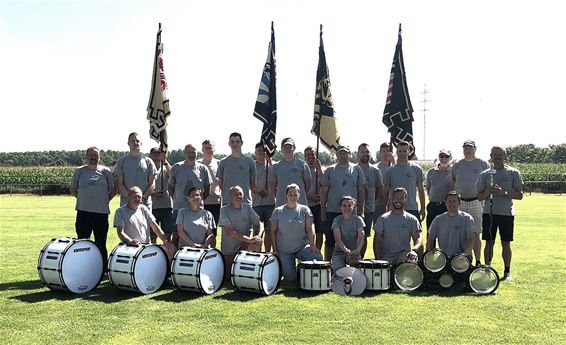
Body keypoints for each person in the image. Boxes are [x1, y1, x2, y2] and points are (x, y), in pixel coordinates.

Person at [477, 146, 523, 281]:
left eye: (500, 154)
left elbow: (520, 194)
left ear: (505, 156)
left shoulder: (513, 173)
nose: (497, 157)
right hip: (489, 213)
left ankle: (507, 271)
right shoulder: (485, 174)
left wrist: (503, 193)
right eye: (495, 154)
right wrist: (488, 192)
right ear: (491, 156)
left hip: (506, 214)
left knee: (506, 243)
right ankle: (487, 268)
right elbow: (479, 197)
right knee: (489, 243)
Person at [70, 146, 116, 269]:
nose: (93, 158)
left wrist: (102, 201)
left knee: (101, 242)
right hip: (83, 212)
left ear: (99, 157)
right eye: (91, 155)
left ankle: (102, 269)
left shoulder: (106, 171)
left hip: (101, 214)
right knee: (82, 242)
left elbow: (113, 190)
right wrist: (84, 200)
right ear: (86, 157)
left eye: (96, 155)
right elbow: (73, 190)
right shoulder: (79, 171)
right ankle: (82, 267)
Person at [320, 145, 366, 260]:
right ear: (336, 154)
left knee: (355, 240)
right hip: (332, 211)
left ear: (350, 154)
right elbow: (324, 191)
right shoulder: (330, 170)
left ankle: (355, 262)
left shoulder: (357, 169)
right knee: (330, 241)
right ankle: (328, 265)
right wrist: (322, 211)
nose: (343, 155)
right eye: (340, 153)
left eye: (345, 153)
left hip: (351, 212)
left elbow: (361, 190)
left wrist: (361, 210)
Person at [270, 184, 322, 285]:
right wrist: (275, 249)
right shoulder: (278, 211)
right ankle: (295, 272)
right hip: (285, 250)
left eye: (295, 194)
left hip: (301, 247)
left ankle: (304, 271)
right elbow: (272, 232)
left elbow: (310, 229)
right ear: (286, 195)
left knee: (317, 257)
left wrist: (312, 245)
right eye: (290, 194)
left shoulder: (304, 209)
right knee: (290, 279)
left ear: (298, 196)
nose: (292, 197)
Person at [450, 140, 490, 266]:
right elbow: (453, 183)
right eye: (465, 148)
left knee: (476, 233)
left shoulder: (483, 164)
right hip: (460, 203)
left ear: (475, 149)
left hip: (476, 202)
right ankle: (462, 261)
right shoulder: (457, 165)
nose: (468, 150)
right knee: (460, 233)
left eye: (470, 148)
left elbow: (488, 182)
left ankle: (478, 262)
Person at [168, 143, 212, 247]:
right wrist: (176, 198)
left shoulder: (203, 169)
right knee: (176, 236)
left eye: (194, 152)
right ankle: (173, 260)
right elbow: (170, 187)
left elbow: (208, 188)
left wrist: (199, 202)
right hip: (179, 208)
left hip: (198, 210)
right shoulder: (176, 167)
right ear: (184, 153)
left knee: (200, 236)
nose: (191, 155)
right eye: (189, 152)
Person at [219, 185, 262, 278]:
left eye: (240, 194)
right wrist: (249, 239)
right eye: (235, 194)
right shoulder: (224, 210)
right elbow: (230, 232)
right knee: (229, 275)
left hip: (244, 245)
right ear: (230, 196)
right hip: (229, 250)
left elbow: (260, 223)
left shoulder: (247, 207)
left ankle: (256, 269)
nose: (238, 196)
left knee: (258, 241)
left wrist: (257, 235)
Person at [373, 187, 422, 265]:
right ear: (392, 199)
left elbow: (418, 238)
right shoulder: (383, 218)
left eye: (401, 198)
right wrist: (378, 260)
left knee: (412, 259)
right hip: (386, 257)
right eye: (396, 198)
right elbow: (377, 240)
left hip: (403, 256)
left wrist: (414, 250)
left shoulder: (412, 219)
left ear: (405, 199)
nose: (398, 200)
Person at [383, 141, 425, 225]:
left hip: (412, 208)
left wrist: (423, 208)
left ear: (409, 152)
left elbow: (421, 190)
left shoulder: (416, 169)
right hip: (395, 209)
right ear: (396, 152)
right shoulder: (390, 171)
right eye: (400, 151)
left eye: (405, 151)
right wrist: (384, 208)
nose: (402, 154)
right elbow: (386, 191)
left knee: (417, 236)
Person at [426, 191, 475, 257]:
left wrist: (466, 254)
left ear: (459, 203)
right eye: (449, 201)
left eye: (454, 201)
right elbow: (430, 240)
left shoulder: (467, 218)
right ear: (445, 203)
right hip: (444, 258)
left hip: (462, 257)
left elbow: (471, 239)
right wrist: (429, 256)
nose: (452, 204)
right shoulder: (438, 219)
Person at [115, 132, 157, 208]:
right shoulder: (121, 162)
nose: (135, 143)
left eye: (137, 141)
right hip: (126, 205)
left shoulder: (148, 162)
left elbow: (152, 184)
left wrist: (143, 197)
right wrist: (130, 198)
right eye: (132, 141)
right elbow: (119, 184)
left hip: (145, 205)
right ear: (128, 143)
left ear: (141, 143)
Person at [356, 143, 384, 258]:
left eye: (367, 152)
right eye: (362, 152)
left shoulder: (375, 171)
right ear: (358, 154)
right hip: (351, 210)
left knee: (364, 235)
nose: (365, 154)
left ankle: (361, 259)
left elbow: (380, 190)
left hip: (368, 210)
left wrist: (370, 200)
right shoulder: (353, 169)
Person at [216, 132, 256, 204]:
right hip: (228, 203)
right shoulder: (223, 162)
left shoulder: (249, 161)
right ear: (229, 144)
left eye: (237, 141)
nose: (235, 144)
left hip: (245, 202)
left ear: (242, 143)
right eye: (232, 142)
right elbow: (221, 184)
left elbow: (252, 184)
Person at [270, 137, 311, 207]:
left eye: (290, 147)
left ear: (294, 148)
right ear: (281, 149)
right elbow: (273, 187)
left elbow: (308, 185)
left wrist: (298, 195)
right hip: (281, 205)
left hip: (299, 205)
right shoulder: (275, 166)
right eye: (285, 147)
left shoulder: (302, 165)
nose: (287, 149)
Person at [252, 142, 276, 251]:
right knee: (257, 230)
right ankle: (256, 252)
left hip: (270, 203)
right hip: (256, 203)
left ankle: (267, 252)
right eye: (259, 151)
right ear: (255, 153)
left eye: (263, 151)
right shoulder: (252, 166)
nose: (262, 153)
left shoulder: (272, 165)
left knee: (269, 230)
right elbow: (250, 184)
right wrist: (260, 191)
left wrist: (270, 162)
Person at [331, 196, 366, 271]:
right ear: (340, 207)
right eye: (344, 205)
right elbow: (338, 240)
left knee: (356, 270)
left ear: (353, 207)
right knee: (338, 272)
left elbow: (362, 238)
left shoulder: (358, 219)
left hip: (355, 253)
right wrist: (347, 251)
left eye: (349, 205)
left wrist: (357, 250)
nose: (347, 208)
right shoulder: (337, 220)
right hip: (339, 253)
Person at [149, 147, 174, 244]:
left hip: (167, 207)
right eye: (154, 154)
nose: (156, 157)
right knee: (152, 237)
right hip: (152, 207)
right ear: (149, 156)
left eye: (158, 154)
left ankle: (168, 256)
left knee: (167, 237)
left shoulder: (165, 168)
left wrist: (165, 161)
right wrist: (153, 193)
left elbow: (174, 174)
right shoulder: (147, 170)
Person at [304, 146, 325, 251]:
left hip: (319, 205)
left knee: (319, 231)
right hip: (307, 205)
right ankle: (307, 251)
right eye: (308, 155)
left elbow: (324, 184)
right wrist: (309, 196)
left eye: (312, 154)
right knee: (307, 231)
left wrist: (320, 169)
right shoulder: (303, 169)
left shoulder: (320, 169)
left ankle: (317, 252)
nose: (310, 157)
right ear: (305, 157)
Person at [199, 139, 222, 235]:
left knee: (213, 231)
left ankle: (212, 250)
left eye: (210, 148)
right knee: (201, 230)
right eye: (206, 148)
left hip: (215, 202)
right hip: (201, 202)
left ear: (214, 149)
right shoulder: (198, 164)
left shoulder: (219, 163)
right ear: (202, 149)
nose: (208, 150)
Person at [425, 149, 453, 230]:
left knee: (445, 234)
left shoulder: (454, 171)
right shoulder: (431, 172)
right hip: (433, 206)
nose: (444, 158)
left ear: (450, 158)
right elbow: (428, 187)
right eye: (442, 156)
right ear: (438, 157)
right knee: (430, 232)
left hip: (447, 207)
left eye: (447, 156)